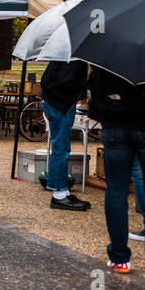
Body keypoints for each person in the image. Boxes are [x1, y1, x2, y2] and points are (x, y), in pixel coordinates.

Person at [87, 65, 145, 274]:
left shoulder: (109, 51)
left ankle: (120, 257)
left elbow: (94, 85)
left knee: (116, 191)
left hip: (116, 122)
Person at [37, 59, 90, 210]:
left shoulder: (64, 53)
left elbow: (48, 80)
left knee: (61, 149)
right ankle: (59, 194)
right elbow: (67, 82)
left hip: (56, 103)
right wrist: (84, 85)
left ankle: (61, 191)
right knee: (61, 150)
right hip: (60, 105)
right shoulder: (76, 59)